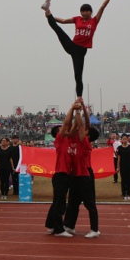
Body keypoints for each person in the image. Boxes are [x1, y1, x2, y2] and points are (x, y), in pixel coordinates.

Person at [41, 0, 115, 99]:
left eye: (87, 11)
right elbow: (63, 21)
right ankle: (47, 10)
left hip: (80, 51)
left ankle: (79, 98)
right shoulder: (77, 19)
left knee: (78, 75)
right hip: (71, 45)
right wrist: (50, 17)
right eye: (82, 11)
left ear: (91, 12)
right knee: (58, 29)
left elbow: (102, 7)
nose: (84, 13)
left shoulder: (94, 21)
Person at [63, 101, 100, 239]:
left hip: (85, 175)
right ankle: (69, 226)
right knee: (73, 202)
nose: (82, 129)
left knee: (90, 204)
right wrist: (82, 106)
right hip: (75, 175)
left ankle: (95, 229)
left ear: (88, 136)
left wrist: (77, 111)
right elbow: (84, 124)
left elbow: (82, 125)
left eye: (84, 131)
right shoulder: (78, 140)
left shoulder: (85, 143)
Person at [45, 101, 81, 238]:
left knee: (57, 202)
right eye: (63, 129)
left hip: (66, 175)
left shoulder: (69, 140)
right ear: (58, 133)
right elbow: (67, 123)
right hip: (61, 175)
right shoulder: (60, 141)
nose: (67, 129)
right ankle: (59, 230)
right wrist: (71, 107)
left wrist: (78, 110)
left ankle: (51, 225)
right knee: (60, 204)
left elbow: (74, 125)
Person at [115, 134, 130, 200]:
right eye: (123, 139)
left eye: (125, 139)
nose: (124, 140)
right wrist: (117, 167)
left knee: (129, 180)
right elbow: (118, 159)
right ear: (121, 140)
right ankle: (123, 192)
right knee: (123, 180)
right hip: (122, 166)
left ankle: (129, 192)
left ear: (127, 139)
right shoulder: (119, 148)